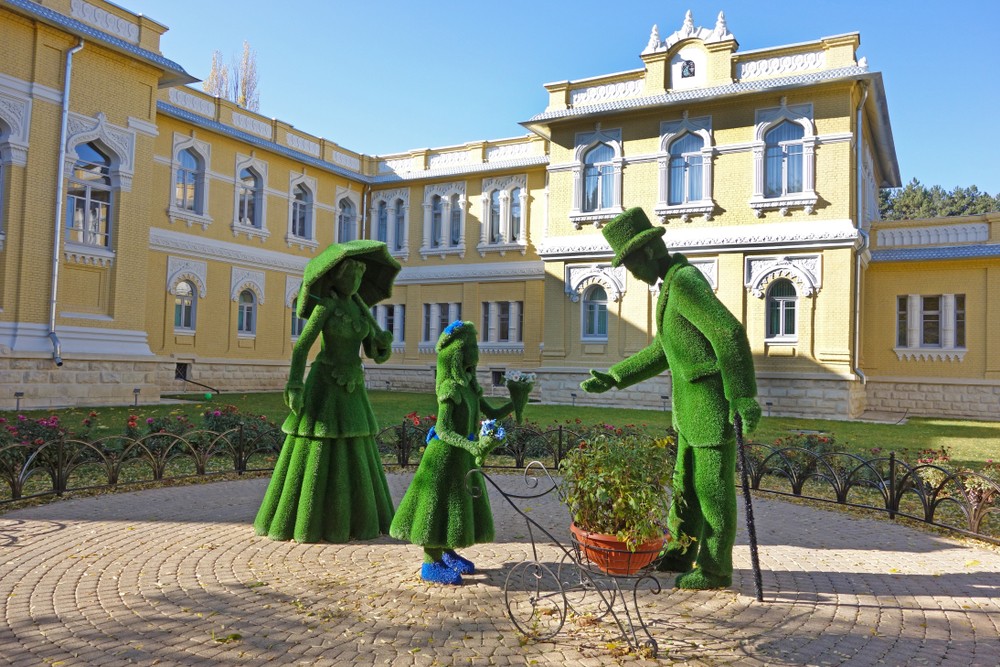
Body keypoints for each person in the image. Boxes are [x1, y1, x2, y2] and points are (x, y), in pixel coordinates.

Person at [580, 207, 761, 590]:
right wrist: (615, 376)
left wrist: (742, 396)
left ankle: (715, 569)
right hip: (689, 413)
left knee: (712, 493)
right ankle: (680, 553)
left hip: (711, 411)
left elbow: (728, 333)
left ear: (646, 253)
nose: (633, 275)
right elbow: (664, 349)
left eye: (631, 265)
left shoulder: (685, 282)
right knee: (685, 488)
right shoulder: (670, 287)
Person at [254, 240, 400, 543]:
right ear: (337, 277)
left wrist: (383, 344)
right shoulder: (326, 307)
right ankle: (307, 517)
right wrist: (295, 385)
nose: (355, 282)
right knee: (319, 442)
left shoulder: (360, 309)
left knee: (355, 442)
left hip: (352, 383)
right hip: (325, 382)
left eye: (359, 277)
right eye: (351, 276)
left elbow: (374, 353)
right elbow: (302, 348)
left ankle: (361, 517)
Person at [390, 321, 530, 585]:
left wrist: (517, 400)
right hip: (443, 459)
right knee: (438, 506)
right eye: (471, 347)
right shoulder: (450, 389)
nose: (476, 352)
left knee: (455, 506)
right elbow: (443, 430)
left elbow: (493, 413)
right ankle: (430, 563)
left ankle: (447, 551)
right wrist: (471, 445)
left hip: (461, 459)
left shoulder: (469, 387)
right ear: (457, 353)